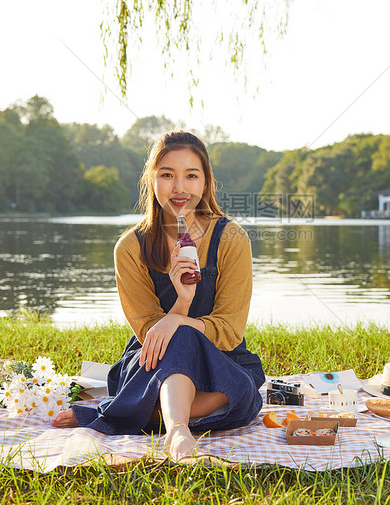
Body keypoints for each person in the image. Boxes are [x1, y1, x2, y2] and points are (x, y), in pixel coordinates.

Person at [51, 130, 265, 460]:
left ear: (205, 183)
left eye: (191, 176)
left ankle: (144, 414)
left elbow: (230, 330)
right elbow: (150, 335)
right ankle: (179, 429)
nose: (179, 187)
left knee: (230, 383)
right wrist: (180, 304)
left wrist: (178, 321)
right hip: (154, 360)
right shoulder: (130, 247)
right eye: (167, 175)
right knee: (176, 339)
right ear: (152, 181)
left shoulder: (231, 239)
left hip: (222, 359)